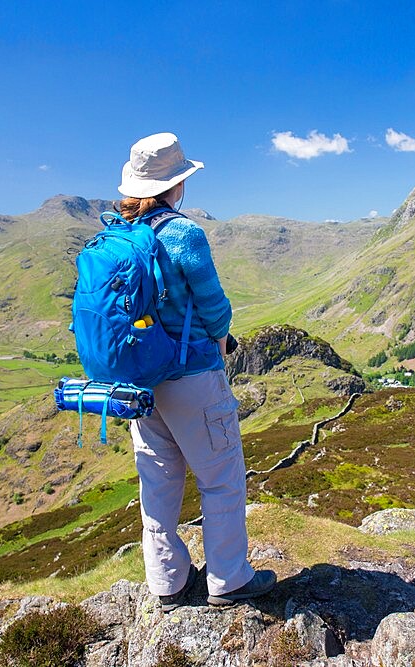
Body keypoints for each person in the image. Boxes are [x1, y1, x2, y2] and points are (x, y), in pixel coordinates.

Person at [116, 132, 275, 610]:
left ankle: (167, 583)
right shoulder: (183, 233)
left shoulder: (119, 236)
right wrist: (224, 336)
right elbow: (214, 307)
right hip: (192, 377)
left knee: (158, 484)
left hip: (141, 380)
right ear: (176, 183)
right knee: (221, 478)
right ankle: (228, 579)